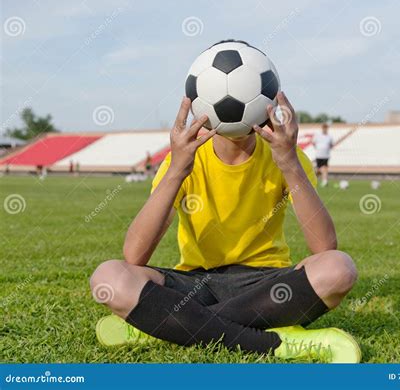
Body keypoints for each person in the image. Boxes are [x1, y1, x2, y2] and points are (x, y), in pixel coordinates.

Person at [90, 92, 360, 363]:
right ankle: (270, 343)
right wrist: (177, 170)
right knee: (108, 278)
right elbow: (135, 256)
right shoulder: (184, 158)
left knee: (339, 269)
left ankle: (168, 325)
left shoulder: (285, 155)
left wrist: (289, 163)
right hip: (196, 284)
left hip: (265, 287)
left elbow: (324, 248)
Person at [312, 123, 333, 187]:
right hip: (319, 155)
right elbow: (314, 143)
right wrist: (318, 149)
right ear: (322, 128)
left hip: (326, 155)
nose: (325, 129)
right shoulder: (318, 136)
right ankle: (313, 179)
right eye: (324, 127)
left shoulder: (329, 137)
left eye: (326, 127)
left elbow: (331, 145)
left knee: (325, 168)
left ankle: (325, 181)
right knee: (318, 170)